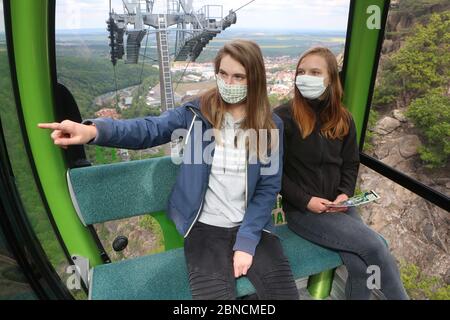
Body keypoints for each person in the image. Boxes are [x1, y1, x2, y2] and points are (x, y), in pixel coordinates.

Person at [39, 40, 298, 300]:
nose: (229, 83)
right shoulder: (198, 113)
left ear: (254, 79)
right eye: (223, 74)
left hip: (251, 225)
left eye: (238, 76)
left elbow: (267, 187)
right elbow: (150, 128)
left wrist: (246, 241)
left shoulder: (270, 126)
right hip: (205, 227)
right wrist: (94, 130)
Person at [274, 47, 409, 300]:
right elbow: (274, 173)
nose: (305, 77)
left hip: (340, 206)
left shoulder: (343, 118)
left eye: (315, 72)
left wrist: (344, 194)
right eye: (301, 72)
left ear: (330, 79)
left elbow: (350, 163)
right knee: (375, 247)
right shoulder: (282, 117)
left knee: (360, 265)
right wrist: (306, 201)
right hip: (303, 211)